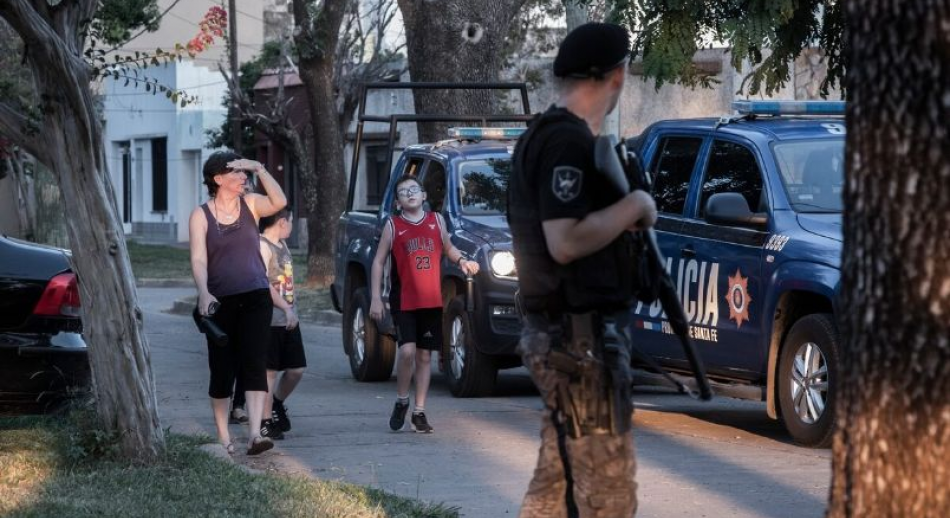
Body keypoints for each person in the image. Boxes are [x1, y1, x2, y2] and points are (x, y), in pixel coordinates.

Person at [507, 23, 658, 517]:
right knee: (608, 494)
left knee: (556, 486)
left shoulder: (553, 137)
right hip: (579, 343)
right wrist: (636, 203)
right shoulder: (566, 142)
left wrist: (616, 221)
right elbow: (565, 240)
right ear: (616, 75)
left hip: (571, 338)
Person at [189, 150, 287, 456]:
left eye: (244, 173)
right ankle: (223, 436)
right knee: (222, 370)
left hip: (256, 296)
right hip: (221, 301)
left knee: (255, 363)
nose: (243, 177)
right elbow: (198, 258)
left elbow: (280, 201)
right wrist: (204, 292)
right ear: (218, 179)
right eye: (236, 172)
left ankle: (255, 435)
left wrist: (258, 167)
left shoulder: (252, 204)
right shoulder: (200, 214)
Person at [369, 175, 479, 433]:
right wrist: (376, 297)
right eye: (404, 192)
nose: (410, 194)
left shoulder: (436, 221)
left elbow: (449, 248)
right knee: (407, 352)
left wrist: (463, 261)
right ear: (398, 202)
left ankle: (419, 411)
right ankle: (401, 400)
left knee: (424, 355)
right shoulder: (393, 225)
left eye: (414, 189)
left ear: (424, 195)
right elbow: (378, 261)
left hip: (431, 299)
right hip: (404, 299)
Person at [258, 206, 305, 440]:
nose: (292, 226)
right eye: (291, 221)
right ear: (281, 222)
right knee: (269, 373)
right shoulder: (262, 246)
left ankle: (276, 403)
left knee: (296, 369)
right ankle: (265, 421)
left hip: (288, 318)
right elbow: (263, 284)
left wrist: (291, 308)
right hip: (270, 320)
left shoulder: (283, 245)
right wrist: (285, 308)